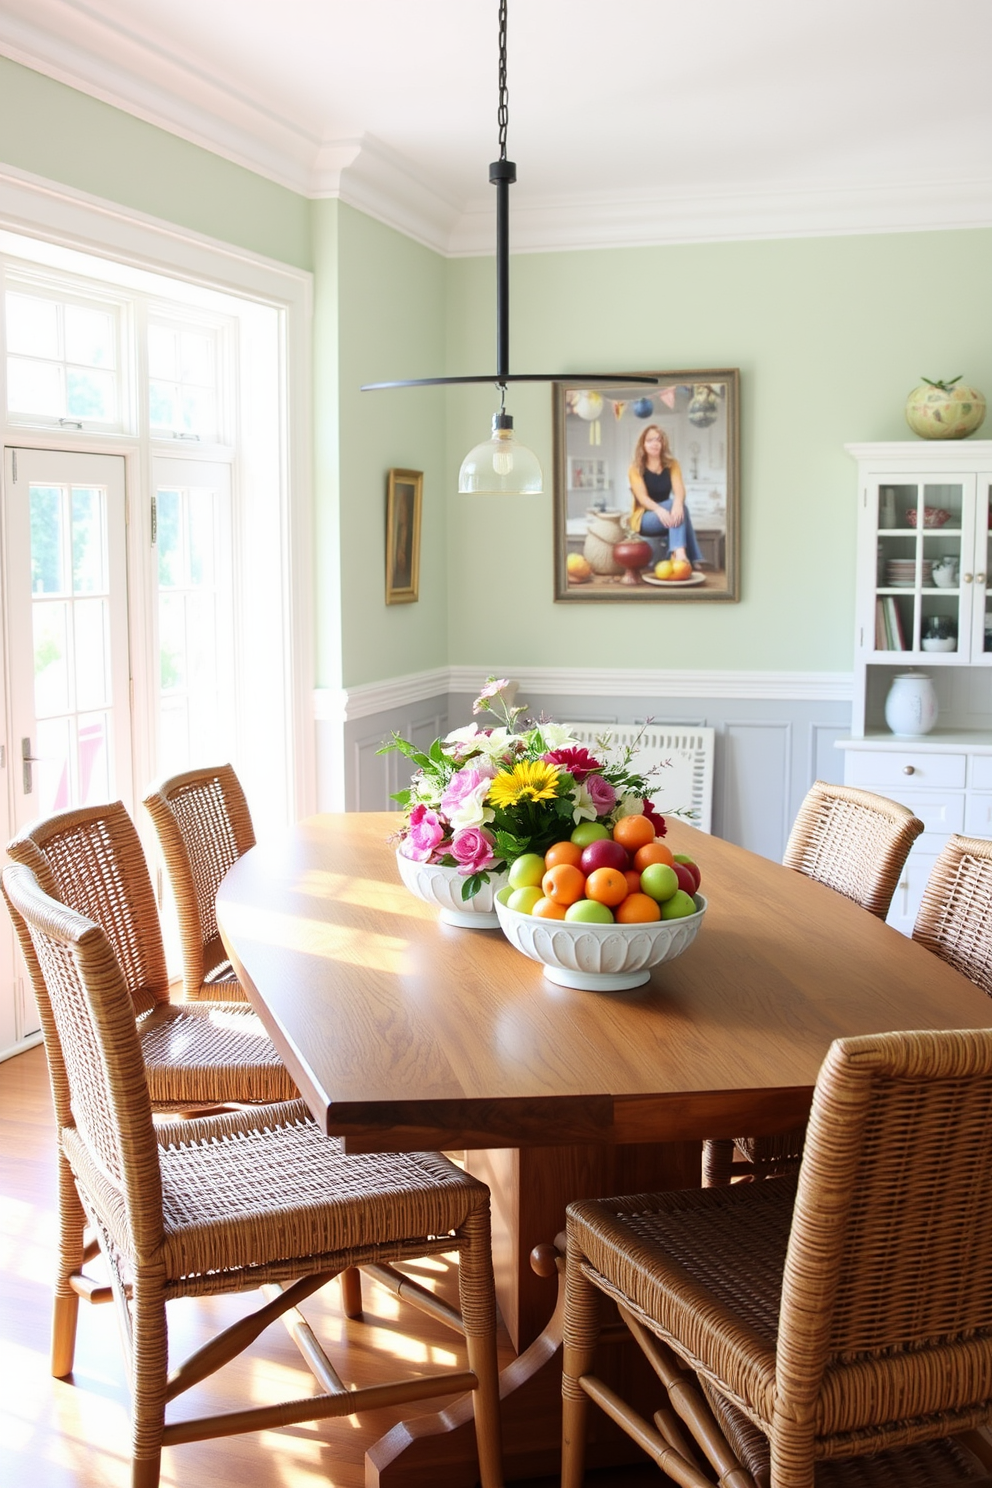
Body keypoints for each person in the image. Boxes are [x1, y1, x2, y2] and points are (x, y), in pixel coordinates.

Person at [627, 424, 703, 567]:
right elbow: (642, 498)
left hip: (668, 516)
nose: (654, 443)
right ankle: (687, 556)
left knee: (681, 508)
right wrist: (659, 510)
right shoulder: (635, 468)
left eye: (658, 440)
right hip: (645, 518)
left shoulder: (672, 464)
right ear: (643, 444)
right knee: (673, 505)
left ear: (663, 443)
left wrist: (678, 504)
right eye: (649, 440)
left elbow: (679, 490)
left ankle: (679, 554)